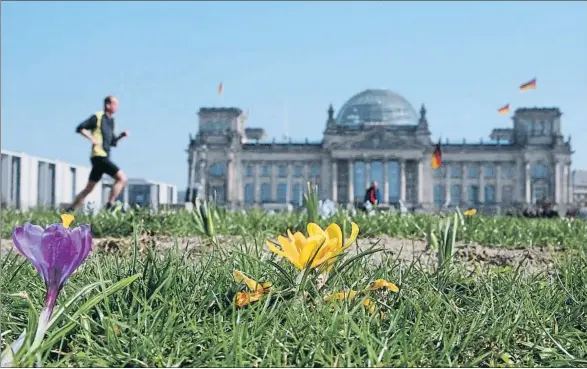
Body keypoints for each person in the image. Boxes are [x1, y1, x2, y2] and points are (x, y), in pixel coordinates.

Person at [66, 96, 129, 212]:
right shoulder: (98, 117)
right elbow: (80, 128)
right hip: (99, 156)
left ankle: (70, 209)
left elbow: (112, 142)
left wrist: (121, 136)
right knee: (122, 178)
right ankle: (110, 205)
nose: (116, 107)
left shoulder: (112, 121)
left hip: (103, 156)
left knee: (89, 188)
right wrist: (91, 138)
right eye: (114, 104)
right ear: (107, 105)